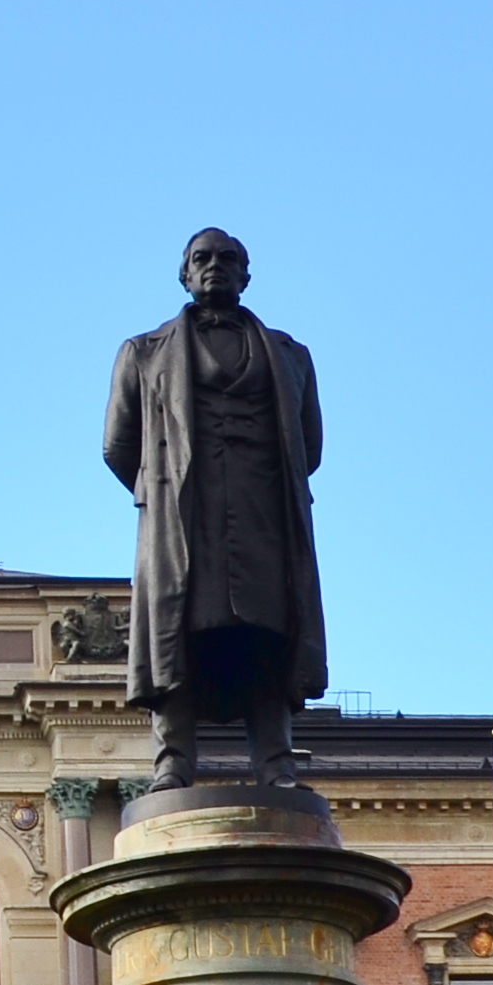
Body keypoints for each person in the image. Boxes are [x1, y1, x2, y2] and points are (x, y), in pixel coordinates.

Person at [102, 228, 329, 793]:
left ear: (246, 275)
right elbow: (117, 443)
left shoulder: (290, 355)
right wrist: (161, 486)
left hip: (264, 515)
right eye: (201, 259)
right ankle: (173, 761)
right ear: (184, 274)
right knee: (178, 632)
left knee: (268, 630)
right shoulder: (142, 352)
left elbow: (310, 446)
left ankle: (276, 760)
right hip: (183, 519)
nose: (215, 268)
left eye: (228, 260)